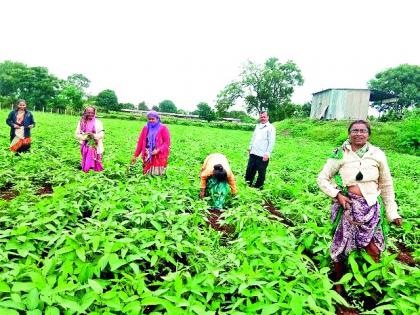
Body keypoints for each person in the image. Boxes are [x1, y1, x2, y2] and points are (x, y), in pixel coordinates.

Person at [317, 120, 402, 293]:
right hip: (346, 206)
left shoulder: (377, 154)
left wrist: (393, 213)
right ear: (349, 133)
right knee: (341, 245)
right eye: (354, 130)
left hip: (370, 206)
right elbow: (322, 178)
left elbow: (386, 184)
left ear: (368, 134)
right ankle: (339, 281)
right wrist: (337, 194)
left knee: (373, 247)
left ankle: (373, 283)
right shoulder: (340, 153)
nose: (358, 133)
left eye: (363, 130)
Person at [131, 111, 170, 175]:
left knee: (157, 175)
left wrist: (158, 150)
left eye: (153, 119)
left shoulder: (163, 128)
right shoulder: (146, 128)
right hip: (147, 153)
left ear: (157, 118)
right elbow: (141, 142)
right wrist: (135, 156)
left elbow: (167, 143)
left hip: (158, 155)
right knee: (146, 174)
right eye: (149, 119)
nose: (151, 120)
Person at [245, 111, 276, 189]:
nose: (262, 118)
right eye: (261, 117)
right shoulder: (257, 126)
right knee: (250, 169)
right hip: (253, 152)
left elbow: (271, 142)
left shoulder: (271, 128)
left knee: (261, 172)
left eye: (264, 117)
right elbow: (253, 138)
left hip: (262, 154)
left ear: (268, 117)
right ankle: (247, 184)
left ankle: (258, 187)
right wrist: (250, 147)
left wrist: (267, 153)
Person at [75, 106, 104, 172]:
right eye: (88, 112)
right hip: (85, 145)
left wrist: (93, 135)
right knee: (85, 159)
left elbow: (102, 134)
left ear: (94, 113)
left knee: (96, 160)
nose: (90, 114)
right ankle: (86, 172)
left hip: (96, 145)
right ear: (85, 112)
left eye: (92, 112)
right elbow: (77, 134)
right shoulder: (81, 122)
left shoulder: (98, 122)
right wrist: (85, 137)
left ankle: (95, 173)